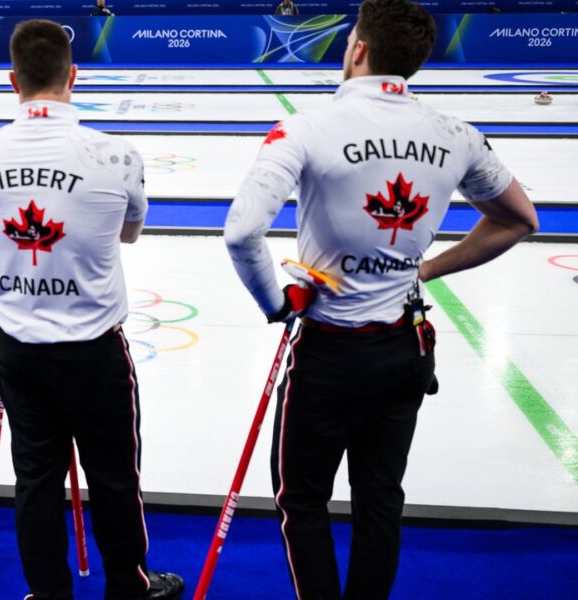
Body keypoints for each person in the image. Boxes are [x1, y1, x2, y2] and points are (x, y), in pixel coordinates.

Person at [223, 0, 539, 598]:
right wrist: (424, 268)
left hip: (327, 356)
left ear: (357, 48)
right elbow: (520, 219)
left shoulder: (305, 126)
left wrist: (277, 302)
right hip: (404, 350)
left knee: (303, 501)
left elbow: (241, 231)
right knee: (380, 500)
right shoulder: (455, 134)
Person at [0, 19, 185, 600]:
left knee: (36, 482)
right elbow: (131, 233)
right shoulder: (116, 154)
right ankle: (129, 587)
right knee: (114, 478)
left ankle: (48, 593)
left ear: (11, 80)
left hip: (18, 347)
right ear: (74, 75)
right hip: (94, 348)